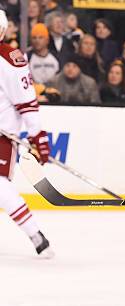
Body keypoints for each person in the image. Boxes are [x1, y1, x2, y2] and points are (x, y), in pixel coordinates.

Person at [0, 11, 54, 257]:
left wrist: (38, 137)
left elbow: (28, 104)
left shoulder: (11, 60)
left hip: (3, 137)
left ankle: (36, 235)